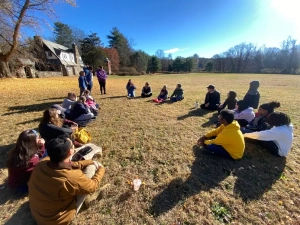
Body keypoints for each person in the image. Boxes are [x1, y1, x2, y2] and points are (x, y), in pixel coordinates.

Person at [28, 137, 106, 225]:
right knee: (91, 169)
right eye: (72, 146)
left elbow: (71, 164)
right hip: (57, 220)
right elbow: (92, 186)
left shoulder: (42, 163)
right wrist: (101, 169)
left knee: (84, 168)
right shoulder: (70, 178)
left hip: (40, 214)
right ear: (70, 151)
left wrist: (88, 162)